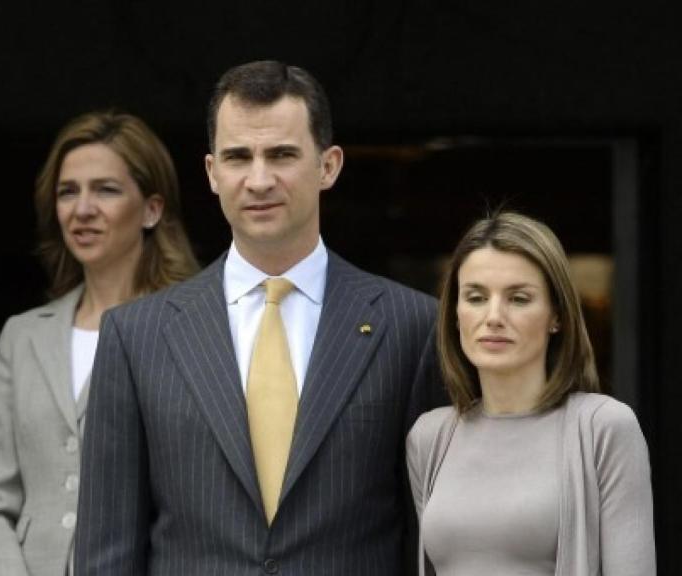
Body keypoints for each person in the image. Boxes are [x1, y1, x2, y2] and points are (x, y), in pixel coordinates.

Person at [75, 60, 443, 574]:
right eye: (238, 157)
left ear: (329, 165)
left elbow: (426, 536)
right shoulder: (136, 336)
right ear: (211, 172)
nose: (259, 179)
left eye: (282, 154)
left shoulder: (411, 326)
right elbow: (107, 549)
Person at [0, 110, 199, 576]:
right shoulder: (23, 335)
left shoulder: (192, 331)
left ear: (152, 209)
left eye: (106, 190)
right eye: (68, 191)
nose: (83, 209)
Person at [406, 212, 655, 575]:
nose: (493, 316)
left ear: (556, 314)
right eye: (475, 297)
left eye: (518, 298)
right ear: (455, 314)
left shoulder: (603, 427)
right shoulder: (431, 436)